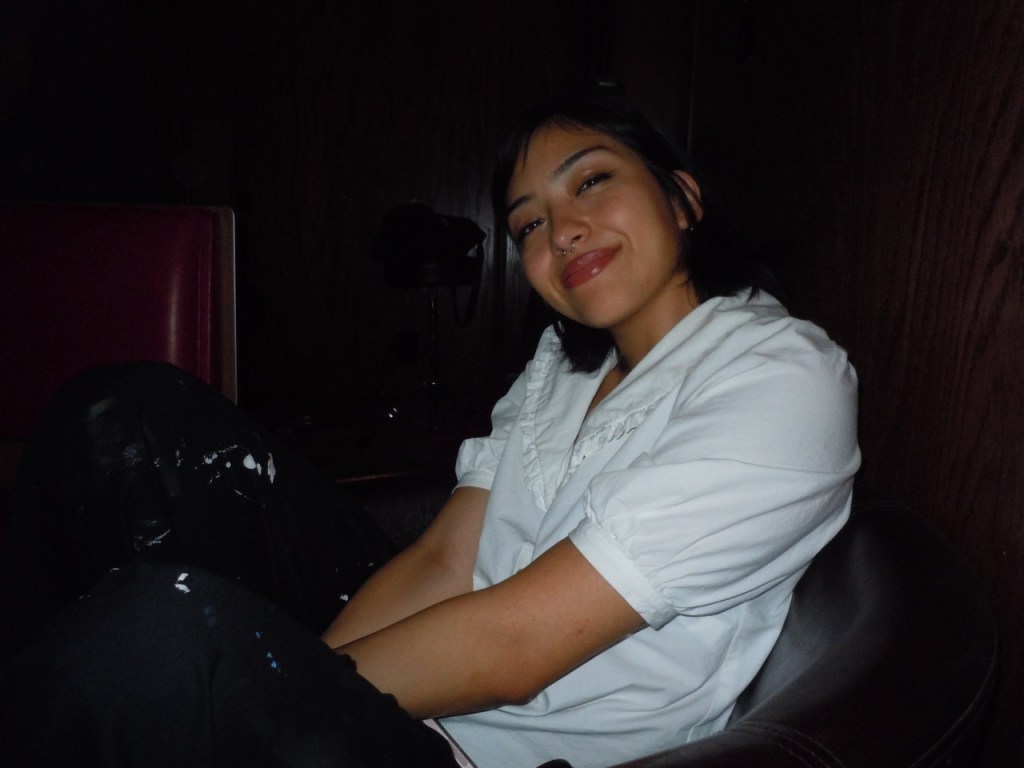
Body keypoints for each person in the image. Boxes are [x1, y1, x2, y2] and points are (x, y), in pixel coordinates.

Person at [0, 94, 860, 768]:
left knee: (154, 641)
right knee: (121, 414)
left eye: (591, 180)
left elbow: (518, 646)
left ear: (682, 197)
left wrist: (268, 682)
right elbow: (446, 559)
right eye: (528, 222)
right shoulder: (561, 365)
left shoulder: (781, 376)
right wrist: (289, 675)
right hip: (420, 685)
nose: (562, 231)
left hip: (493, 753)